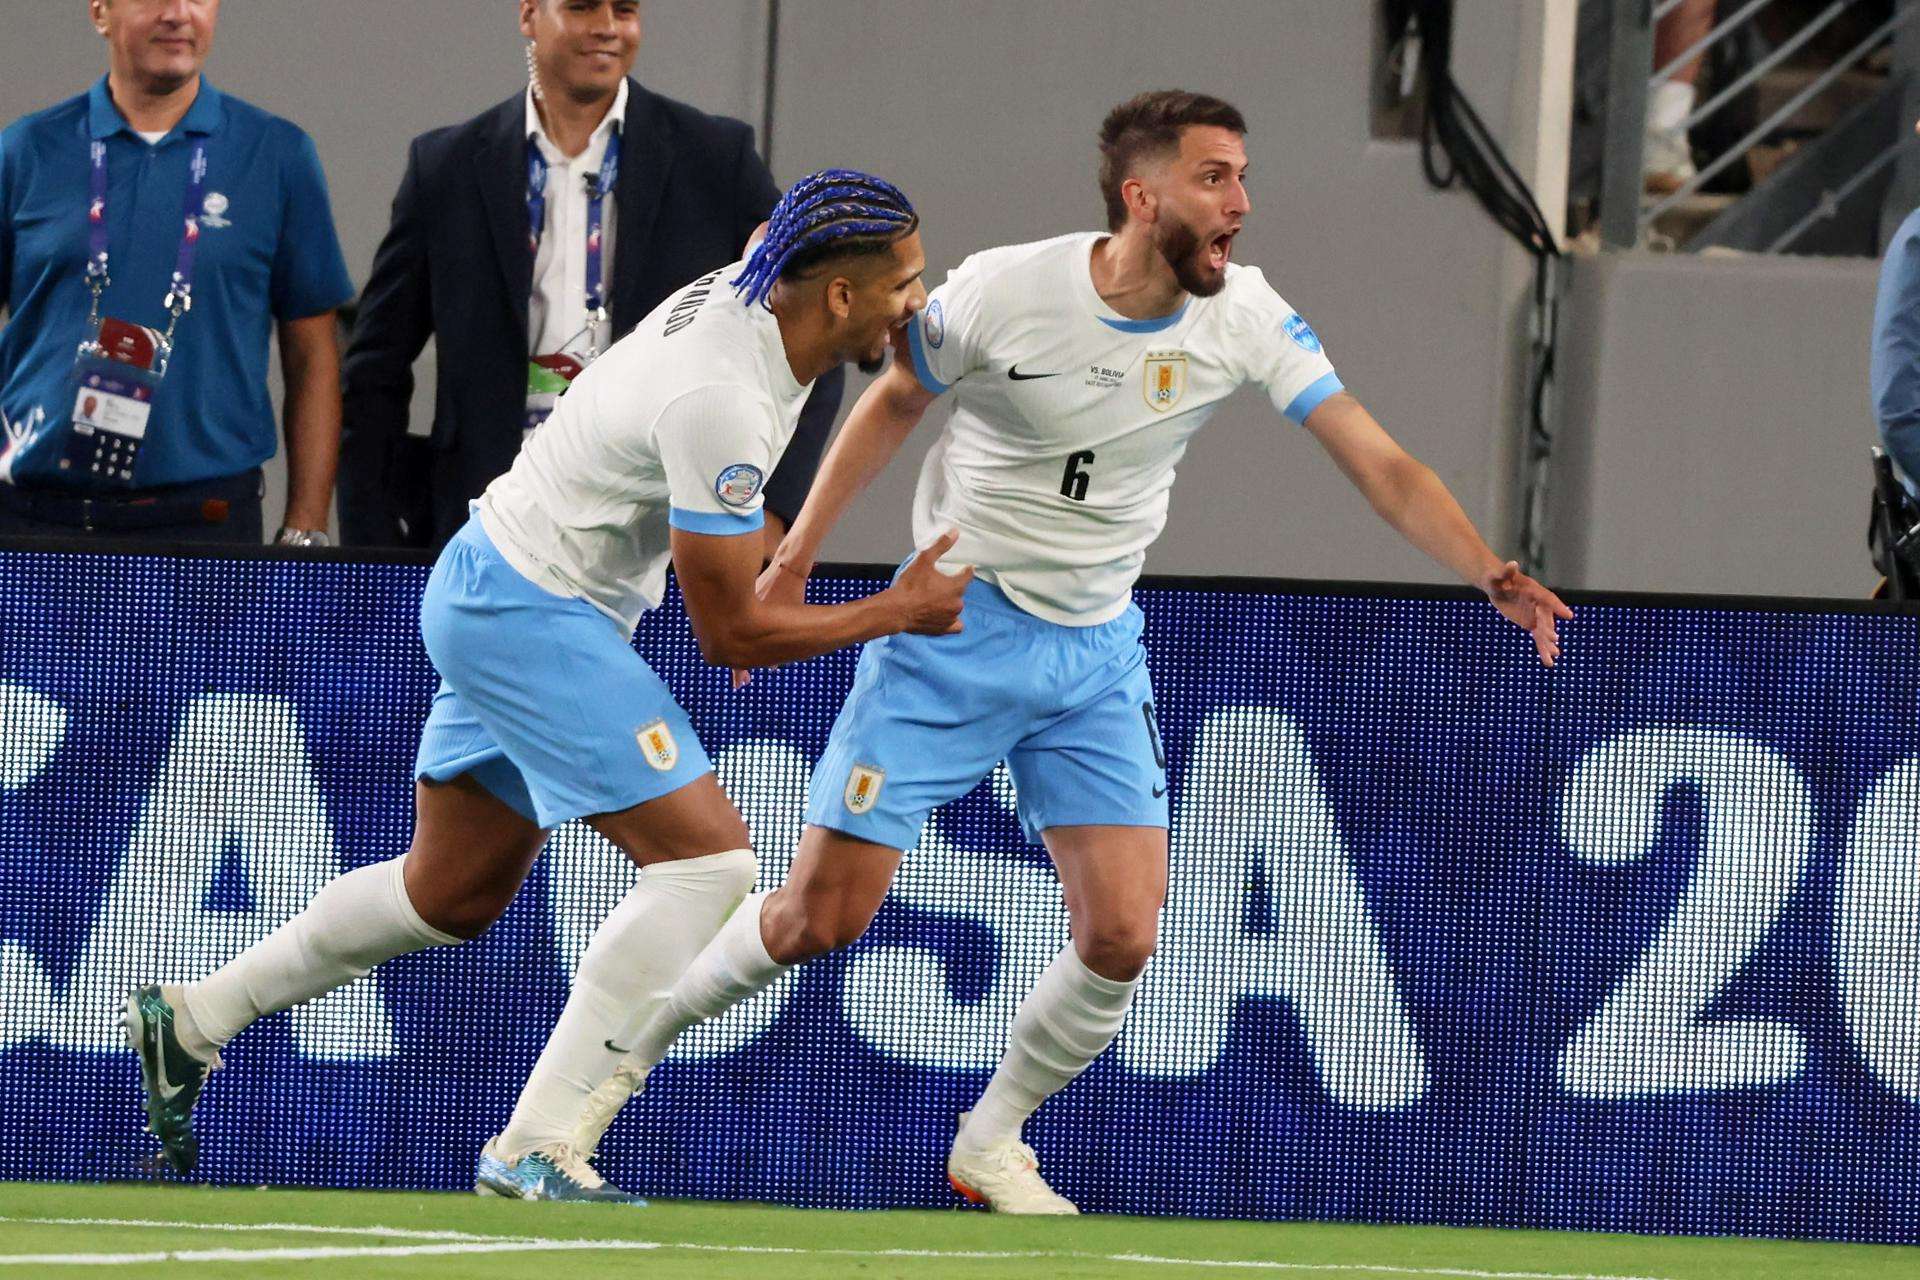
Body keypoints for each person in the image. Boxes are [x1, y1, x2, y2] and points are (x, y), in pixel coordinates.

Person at [564, 90, 1574, 1214]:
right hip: (951, 631)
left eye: (1243, 176)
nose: (1241, 201)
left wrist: (1485, 563)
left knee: (1125, 932)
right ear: (1144, 198)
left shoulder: (1245, 314)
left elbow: (1377, 460)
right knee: (817, 920)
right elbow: (894, 400)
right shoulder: (1004, 288)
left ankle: (990, 1142)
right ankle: (621, 1060)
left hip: (1094, 651)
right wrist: (795, 559)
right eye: (1215, 178)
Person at [123, 169, 969, 1203]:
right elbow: (732, 635)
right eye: (906, 283)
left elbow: (776, 229)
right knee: (710, 865)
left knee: (450, 892)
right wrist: (898, 606)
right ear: (836, 295)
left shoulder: (770, 278)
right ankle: (535, 1143)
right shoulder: (724, 398)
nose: (920, 301)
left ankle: (195, 1016)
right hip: (526, 609)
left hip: (503, 581)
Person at [338, 0, 844, 553]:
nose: (606, 27)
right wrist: (371, 536)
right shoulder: (446, 167)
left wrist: (770, 509)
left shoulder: (714, 159)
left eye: (624, 10)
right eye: (581, 7)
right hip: (488, 527)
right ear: (529, 14)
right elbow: (375, 371)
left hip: (659, 532)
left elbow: (814, 321)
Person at [0, 0, 351, 545]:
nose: (178, 14)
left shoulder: (277, 154)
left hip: (206, 522)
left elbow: (313, 354)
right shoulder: (27, 150)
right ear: (100, 12)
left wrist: (306, 529)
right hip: (34, 518)